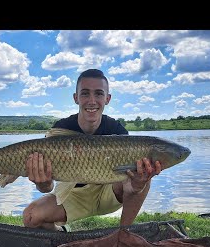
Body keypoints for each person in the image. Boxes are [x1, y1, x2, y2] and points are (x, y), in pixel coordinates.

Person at [23, 69, 162, 232]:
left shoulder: (117, 131)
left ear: (107, 99)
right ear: (76, 98)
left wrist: (138, 184)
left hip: (109, 191)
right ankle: (62, 235)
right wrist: (43, 183)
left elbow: (131, 185)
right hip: (73, 193)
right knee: (31, 217)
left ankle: (124, 233)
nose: (92, 100)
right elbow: (46, 188)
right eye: (85, 94)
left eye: (98, 94)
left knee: (144, 171)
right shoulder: (61, 129)